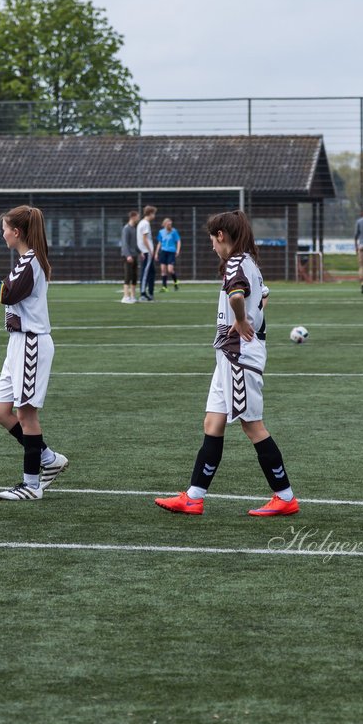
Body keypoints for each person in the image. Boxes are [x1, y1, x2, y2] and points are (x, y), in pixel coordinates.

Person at [155, 209, 299, 518]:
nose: (211, 245)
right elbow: (264, 296)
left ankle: (285, 496)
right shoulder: (250, 263)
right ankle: (193, 497)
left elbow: (237, 294)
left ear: (221, 236)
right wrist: (248, 315)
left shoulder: (235, 262)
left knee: (252, 424)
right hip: (229, 355)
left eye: (212, 239)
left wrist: (240, 318)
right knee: (213, 423)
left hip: (239, 356)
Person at [0, 205, 70, 501]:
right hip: (18, 343)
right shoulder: (25, 260)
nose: (2, 233)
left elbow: (6, 294)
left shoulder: (31, 262)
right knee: (0, 412)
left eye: (5, 229)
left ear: (16, 232)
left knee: (26, 414)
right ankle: (49, 458)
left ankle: (31, 485)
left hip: (32, 343)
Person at [136, 204, 157, 301]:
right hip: (147, 252)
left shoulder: (142, 223)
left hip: (145, 251)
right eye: (154, 214)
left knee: (152, 272)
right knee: (145, 272)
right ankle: (143, 293)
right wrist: (149, 250)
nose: (154, 216)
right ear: (150, 213)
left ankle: (151, 292)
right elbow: (144, 239)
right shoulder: (145, 223)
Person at [119, 210, 140, 304]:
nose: (138, 218)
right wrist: (128, 255)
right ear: (133, 217)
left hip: (135, 255)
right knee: (128, 276)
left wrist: (140, 252)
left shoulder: (134, 228)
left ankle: (132, 296)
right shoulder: (126, 228)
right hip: (128, 256)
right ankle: (125, 296)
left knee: (134, 276)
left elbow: (134, 244)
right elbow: (125, 244)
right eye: (137, 216)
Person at [157, 217, 181, 291]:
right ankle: (164, 287)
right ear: (164, 224)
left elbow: (178, 241)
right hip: (163, 252)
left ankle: (176, 282)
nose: (169, 225)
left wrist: (177, 250)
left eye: (170, 224)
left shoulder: (174, 231)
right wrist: (156, 253)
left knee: (170, 270)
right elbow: (159, 243)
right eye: (168, 224)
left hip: (171, 252)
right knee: (163, 270)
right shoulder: (161, 232)